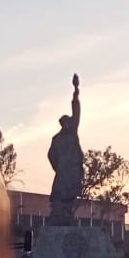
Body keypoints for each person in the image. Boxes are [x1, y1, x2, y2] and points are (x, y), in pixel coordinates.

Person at [47, 74, 83, 214]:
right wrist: (59, 166)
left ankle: (66, 213)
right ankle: (58, 213)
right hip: (63, 170)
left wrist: (76, 90)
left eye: (69, 121)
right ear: (62, 124)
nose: (68, 124)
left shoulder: (73, 131)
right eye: (65, 122)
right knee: (58, 193)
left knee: (70, 195)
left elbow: (76, 109)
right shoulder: (57, 139)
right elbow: (51, 155)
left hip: (72, 170)